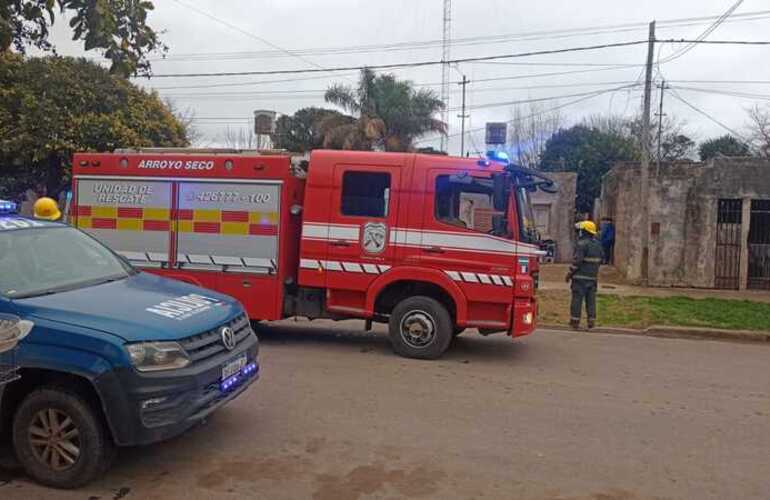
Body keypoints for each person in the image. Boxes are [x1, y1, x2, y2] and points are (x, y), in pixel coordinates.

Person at [566, 220, 603, 330]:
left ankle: (575, 322)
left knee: (577, 300)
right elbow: (601, 259)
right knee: (591, 301)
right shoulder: (598, 245)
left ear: (584, 231)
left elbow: (577, 262)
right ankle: (591, 322)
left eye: (580, 231)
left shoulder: (581, 244)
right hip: (592, 278)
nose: (579, 232)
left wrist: (569, 274)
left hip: (579, 279)